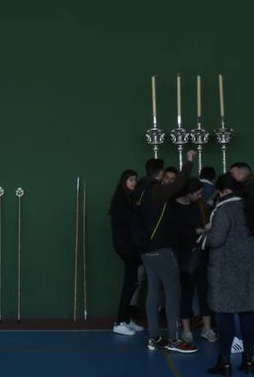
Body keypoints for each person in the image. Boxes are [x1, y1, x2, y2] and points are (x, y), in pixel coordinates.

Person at [131, 151, 199, 354]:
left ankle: (154, 337)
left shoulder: (138, 192)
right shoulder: (155, 191)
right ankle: (174, 339)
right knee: (172, 292)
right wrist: (188, 163)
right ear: (160, 174)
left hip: (145, 251)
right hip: (160, 249)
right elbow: (178, 186)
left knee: (153, 291)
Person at [203, 174, 254, 375]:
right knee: (247, 316)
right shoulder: (249, 207)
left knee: (225, 318)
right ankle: (248, 360)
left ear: (223, 191)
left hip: (225, 271)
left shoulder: (223, 209)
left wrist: (204, 234)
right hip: (246, 270)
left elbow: (216, 239)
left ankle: (224, 361)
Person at [175, 179, 215, 343]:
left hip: (201, 252)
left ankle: (207, 328)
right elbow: (177, 232)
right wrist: (201, 229)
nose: (200, 196)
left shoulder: (197, 205)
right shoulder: (175, 207)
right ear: (189, 192)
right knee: (187, 292)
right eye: (198, 193)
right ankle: (186, 330)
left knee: (204, 291)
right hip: (185, 255)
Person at [109, 168, 146, 336]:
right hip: (127, 248)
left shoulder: (128, 199)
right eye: (131, 180)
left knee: (132, 284)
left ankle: (125, 319)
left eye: (135, 180)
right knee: (129, 284)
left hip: (131, 248)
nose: (134, 183)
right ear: (124, 182)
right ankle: (119, 322)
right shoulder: (121, 200)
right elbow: (130, 225)